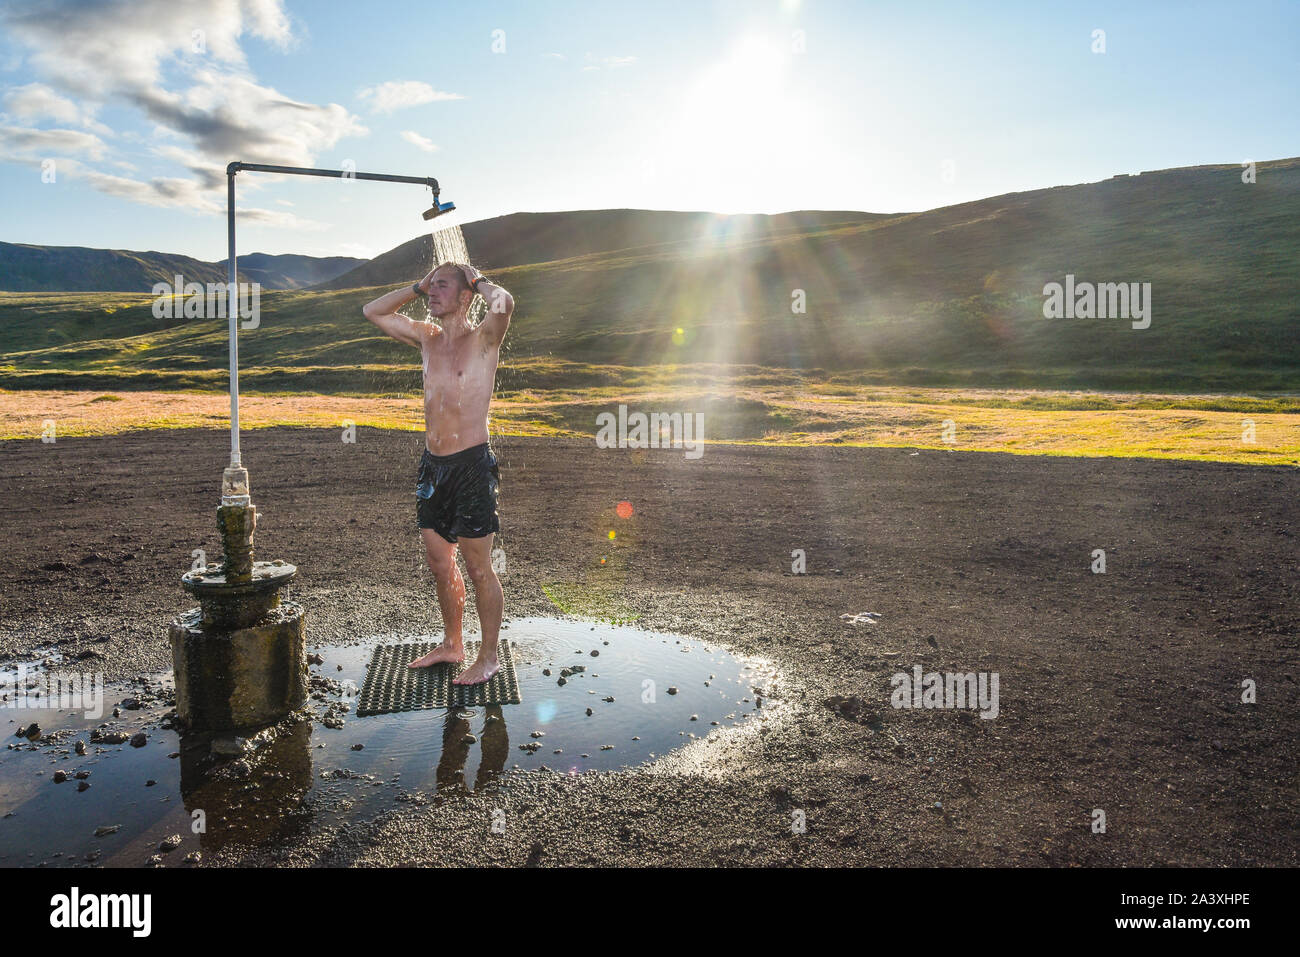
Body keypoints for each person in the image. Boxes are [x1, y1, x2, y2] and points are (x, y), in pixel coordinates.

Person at [361, 262, 515, 684]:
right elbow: (372, 311)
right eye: (431, 286)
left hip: (471, 466)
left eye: (442, 286)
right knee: (438, 560)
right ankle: (452, 644)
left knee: (478, 566)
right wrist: (416, 285)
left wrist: (477, 277)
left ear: (466, 297)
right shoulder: (426, 338)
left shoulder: (484, 338)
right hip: (433, 466)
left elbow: (505, 303)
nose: (432, 292)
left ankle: (487, 657)